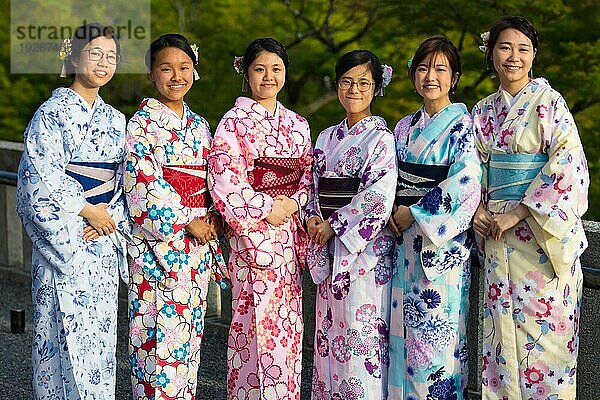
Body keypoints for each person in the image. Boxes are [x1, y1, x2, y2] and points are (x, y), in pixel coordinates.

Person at [472, 16, 589, 399]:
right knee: (499, 344)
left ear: (534, 55)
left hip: (539, 239)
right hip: (495, 235)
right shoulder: (483, 111)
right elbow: (468, 169)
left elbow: (568, 164)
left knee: (548, 346)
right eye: (505, 47)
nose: (513, 56)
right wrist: (475, 208)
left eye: (523, 49)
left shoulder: (550, 103)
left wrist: (519, 211)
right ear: (491, 54)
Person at [16, 22, 129, 399]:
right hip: (66, 242)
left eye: (111, 56)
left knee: (99, 346)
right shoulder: (51, 114)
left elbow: (123, 182)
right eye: (94, 53)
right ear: (75, 56)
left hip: (102, 243)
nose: (103, 63)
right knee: (58, 340)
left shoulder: (116, 120)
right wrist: (85, 211)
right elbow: (38, 179)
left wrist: (107, 217)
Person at [207, 37, 313, 399]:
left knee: (287, 333)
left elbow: (308, 178)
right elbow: (224, 179)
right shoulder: (233, 122)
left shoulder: (299, 125)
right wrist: (269, 208)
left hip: (287, 238)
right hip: (252, 239)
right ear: (246, 73)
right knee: (250, 331)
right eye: (260, 69)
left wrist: (294, 205)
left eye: (276, 69)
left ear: (286, 72)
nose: (268, 76)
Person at [123, 33, 225, 400]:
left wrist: (215, 213)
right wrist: (185, 221)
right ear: (152, 73)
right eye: (166, 68)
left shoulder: (200, 125)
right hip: (158, 250)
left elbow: (215, 179)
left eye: (184, 67)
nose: (176, 75)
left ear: (195, 72)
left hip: (197, 246)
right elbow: (143, 184)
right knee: (155, 342)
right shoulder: (139, 125)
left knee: (187, 348)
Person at [387, 36, 482, 399]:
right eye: (423, 68)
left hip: (437, 248)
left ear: (454, 77)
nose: (431, 77)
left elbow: (467, 181)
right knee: (401, 339)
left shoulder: (463, 126)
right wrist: (392, 209)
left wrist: (415, 211)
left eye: (440, 69)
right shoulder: (402, 128)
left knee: (435, 344)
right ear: (413, 75)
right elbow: (387, 177)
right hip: (400, 240)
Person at [306, 50, 397, 400]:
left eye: (363, 82)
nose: (354, 89)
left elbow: (379, 194)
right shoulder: (326, 137)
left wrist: (335, 225)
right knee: (329, 338)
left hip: (363, 255)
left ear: (376, 88)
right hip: (328, 245)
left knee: (361, 338)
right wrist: (313, 216)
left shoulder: (381, 138)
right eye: (347, 82)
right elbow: (312, 183)